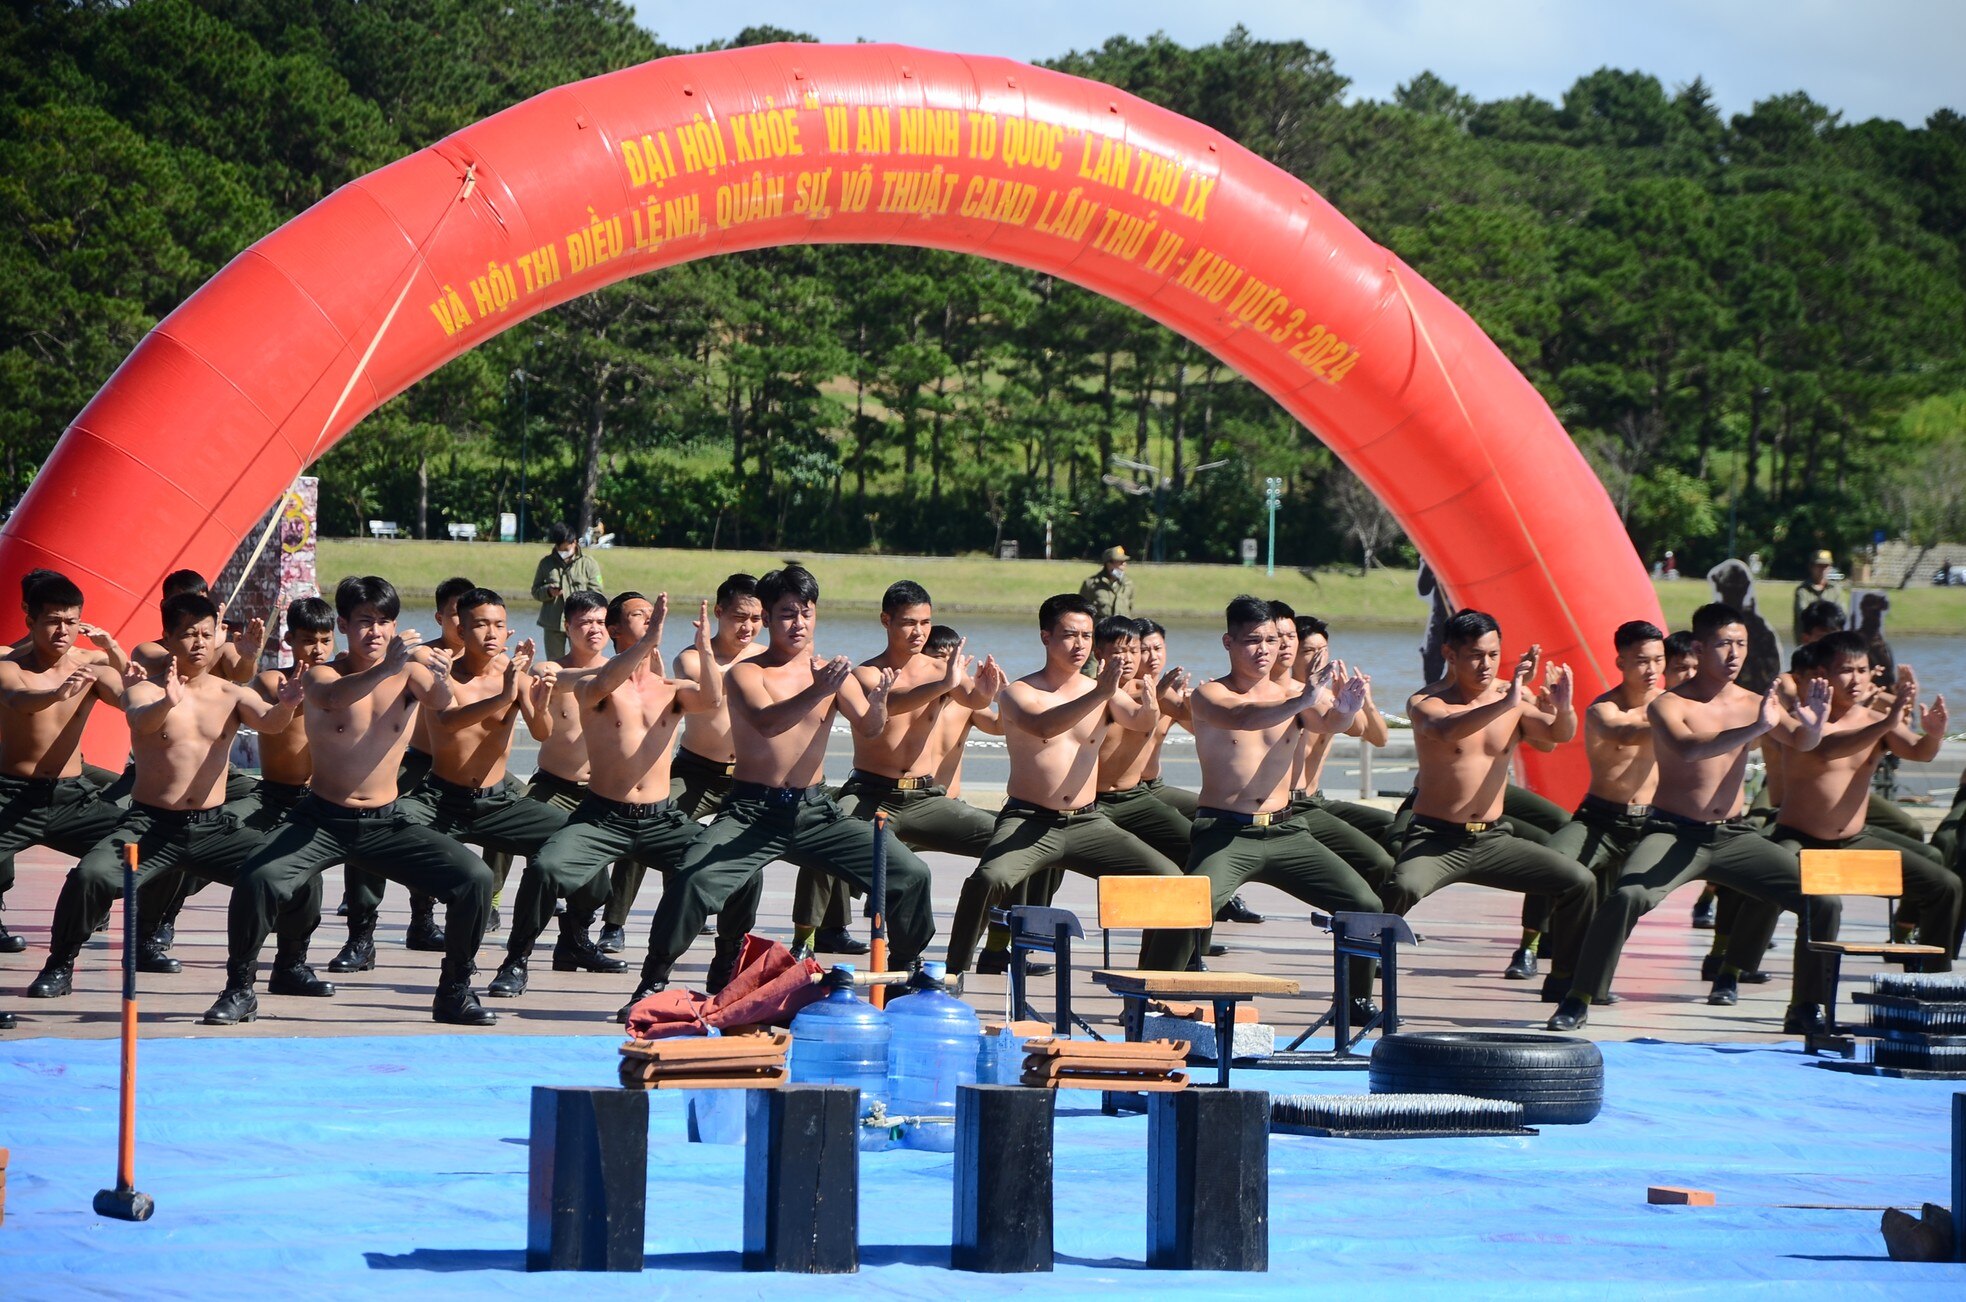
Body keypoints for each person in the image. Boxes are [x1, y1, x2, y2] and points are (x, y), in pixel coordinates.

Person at [628, 566, 936, 1009]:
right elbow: (767, 723)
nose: (799, 624)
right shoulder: (746, 673)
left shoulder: (833, 674)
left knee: (910, 874)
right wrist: (818, 690)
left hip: (814, 813)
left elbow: (869, 729)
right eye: (787, 614)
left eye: (806, 614)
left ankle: (906, 974)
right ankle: (653, 979)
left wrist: (879, 702)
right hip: (753, 810)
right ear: (769, 620)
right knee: (693, 877)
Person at [201, 575, 497, 1028]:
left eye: (384, 622)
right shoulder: (324, 673)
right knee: (258, 878)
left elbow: (441, 702)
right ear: (343, 624)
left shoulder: (410, 670)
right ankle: (239, 988)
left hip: (385, 822)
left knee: (474, 878)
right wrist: (386, 668)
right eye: (364, 622)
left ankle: (455, 991)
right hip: (321, 818)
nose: (375, 632)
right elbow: (333, 699)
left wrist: (438, 672)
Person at [1548, 603, 1838, 1033]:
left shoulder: (1755, 703)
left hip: (1733, 836)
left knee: (1823, 900)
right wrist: (1755, 729)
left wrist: (1813, 725)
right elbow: (1690, 749)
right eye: (1724, 644)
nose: (1735, 653)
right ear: (1700, 648)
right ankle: (1578, 996)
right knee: (1627, 898)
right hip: (1673, 832)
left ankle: (1807, 1007)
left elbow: (1801, 740)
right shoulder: (1668, 704)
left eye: (1741, 644)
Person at [27, 592, 325, 1000]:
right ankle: (59, 965)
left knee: (299, 876)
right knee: (89, 876)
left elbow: (271, 725)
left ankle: (285, 968)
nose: (200, 643)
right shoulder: (145, 690)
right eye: (188, 634)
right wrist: (168, 700)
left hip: (213, 828)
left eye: (207, 633)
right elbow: (140, 722)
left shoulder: (231, 694)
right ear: (167, 638)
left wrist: (288, 705)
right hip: (150, 826)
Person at [494, 593, 744, 1003]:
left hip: (661, 819)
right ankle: (516, 961)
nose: (650, 622)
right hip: (603, 817)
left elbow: (713, 699)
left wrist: (704, 650)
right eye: (639, 617)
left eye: (653, 616)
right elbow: (606, 681)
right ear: (616, 631)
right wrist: (648, 644)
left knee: (740, 874)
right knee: (545, 868)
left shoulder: (673, 689)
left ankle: (697, 968)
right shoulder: (595, 686)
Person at [1136, 597, 1381, 996]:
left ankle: (1355, 1002)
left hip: (1286, 831)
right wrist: (1301, 701)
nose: (1264, 649)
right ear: (1228, 643)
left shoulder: (1302, 693)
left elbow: (1329, 719)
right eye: (1252, 640)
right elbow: (1244, 718)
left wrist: (1346, 709)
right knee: (1185, 908)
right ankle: (1146, 998)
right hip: (1225, 832)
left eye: (1270, 640)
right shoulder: (1209, 695)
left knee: (1365, 907)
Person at [944, 593, 1185, 977]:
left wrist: (1153, 701)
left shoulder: (1102, 689)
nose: (1080, 645)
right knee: (989, 878)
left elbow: (1139, 722)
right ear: (1046, 637)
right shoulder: (1019, 692)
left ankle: (1151, 988)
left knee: (1173, 882)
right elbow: (1044, 727)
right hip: (1030, 820)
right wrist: (1102, 693)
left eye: (1087, 636)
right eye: (1070, 635)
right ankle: (950, 974)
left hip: (1089, 823)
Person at [794, 582, 1006, 959]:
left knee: (1015, 842)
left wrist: (986, 691)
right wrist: (943, 684)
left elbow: (973, 700)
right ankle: (806, 940)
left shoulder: (942, 669)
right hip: (871, 793)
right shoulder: (865, 674)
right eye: (909, 623)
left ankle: (985, 949)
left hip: (926, 797)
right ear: (886, 620)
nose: (919, 632)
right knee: (823, 834)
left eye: (925, 622)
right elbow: (889, 707)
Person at [1384, 611, 1598, 985]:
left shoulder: (1511, 696)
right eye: (1476, 655)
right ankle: (1361, 979)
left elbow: (1555, 735)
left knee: (1579, 882)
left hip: (1491, 837)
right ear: (1450, 654)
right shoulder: (1427, 700)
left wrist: (1563, 706)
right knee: (1401, 888)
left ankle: (1566, 985)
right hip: (1435, 838)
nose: (1487, 665)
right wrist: (1507, 701)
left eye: (1494, 655)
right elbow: (1445, 730)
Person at [399, 587, 596, 972]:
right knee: (378, 824)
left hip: (498, 802)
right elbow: (448, 720)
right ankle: (376, 932)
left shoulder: (516, 676)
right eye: (480, 625)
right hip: (440, 798)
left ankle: (567, 941)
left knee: (578, 841)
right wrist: (504, 695)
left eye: (499, 625)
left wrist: (538, 706)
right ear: (461, 629)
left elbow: (541, 731)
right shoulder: (440, 674)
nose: (491, 633)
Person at [1761, 634, 1956, 976]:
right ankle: (1732, 968)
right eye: (1846, 671)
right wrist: (1887, 718)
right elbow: (1826, 748)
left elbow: (1919, 752)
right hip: (1799, 839)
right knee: (1770, 898)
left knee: (1945, 885)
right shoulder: (1801, 717)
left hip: (1853, 839)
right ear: (1822, 673)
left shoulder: (1873, 719)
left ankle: (1931, 981)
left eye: (1863, 670)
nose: (1856, 679)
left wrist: (1934, 734)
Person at [599, 573, 765, 952]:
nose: (748, 627)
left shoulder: (766, 657)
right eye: (740, 616)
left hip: (746, 777)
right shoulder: (690, 657)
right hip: (696, 772)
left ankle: (729, 929)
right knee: (646, 819)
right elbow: (716, 698)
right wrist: (710, 654)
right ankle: (614, 922)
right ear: (719, 612)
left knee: (747, 846)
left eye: (757, 619)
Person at [0, 572, 131, 1026]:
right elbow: (18, 701)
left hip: (72, 797)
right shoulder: (7, 662)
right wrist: (55, 692)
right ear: (29, 619)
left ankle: (61, 964)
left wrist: (118, 660)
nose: (63, 631)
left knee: (128, 853)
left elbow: (132, 701)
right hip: (11, 796)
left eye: (72, 622)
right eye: (53, 621)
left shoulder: (91, 665)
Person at [1508, 622, 1668, 985]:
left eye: (1659, 660)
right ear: (1620, 662)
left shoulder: (1673, 704)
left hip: (1650, 825)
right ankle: (1529, 947)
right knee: (1551, 861)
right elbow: (1624, 733)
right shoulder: (1604, 709)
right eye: (1642, 661)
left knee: (1619, 903)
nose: (1652, 670)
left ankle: (1726, 966)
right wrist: (1677, 722)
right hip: (1600, 818)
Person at [334, 575, 473, 965]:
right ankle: (363, 934)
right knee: (370, 817)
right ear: (441, 618)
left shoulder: (500, 663)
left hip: (465, 774)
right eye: (455, 616)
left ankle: (447, 917)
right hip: (417, 767)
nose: (464, 626)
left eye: (475, 619)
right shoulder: (416, 657)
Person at [1284, 616, 1396, 888]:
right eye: (1308, 651)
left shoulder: (1332, 696)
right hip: (1291, 805)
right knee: (1376, 861)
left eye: (1323, 651)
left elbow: (1377, 737)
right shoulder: (1287, 697)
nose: (1317, 658)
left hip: (1316, 800)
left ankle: (1380, 913)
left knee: (1395, 828)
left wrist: (1362, 700)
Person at [1093, 615, 1194, 867]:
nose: (1129, 658)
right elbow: (1131, 711)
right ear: (1099, 654)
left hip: (1138, 793)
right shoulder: (1090, 691)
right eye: (1119, 651)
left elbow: (1187, 712)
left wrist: (1204, 699)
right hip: (1093, 799)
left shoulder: (1151, 689)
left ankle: (1218, 904)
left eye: (1133, 650)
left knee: (1199, 842)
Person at [531, 523, 603, 660]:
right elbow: (535, 591)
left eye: (566, 548)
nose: (563, 552)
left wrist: (581, 601)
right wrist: (548, 592)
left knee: (583, 660)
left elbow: (597, 592)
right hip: (553, 623)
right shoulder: (546, 563)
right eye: (560, 549)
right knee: (554, 664)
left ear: (574, 542)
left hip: (581, 622)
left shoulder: (588, 563)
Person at [1792, 549, 1843, 645]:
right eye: (1819, 566)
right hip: (1807, 645)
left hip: (1831, 644)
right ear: (1811, 567)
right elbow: (1804, 616)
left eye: (1826, 566)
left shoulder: (1835, 589)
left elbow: (1841, 615)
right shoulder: (1802, 590)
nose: (1823, 569)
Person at [1080, 546, 1135, 619]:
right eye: (1120, 562)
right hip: (1100, 629)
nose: (1124, 565)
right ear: (1109, 564)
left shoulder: (1128, 584)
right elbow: (1083, 610)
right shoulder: (1091, 584)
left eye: (1125, 562)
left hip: (1121, 629)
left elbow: (1130, 607)